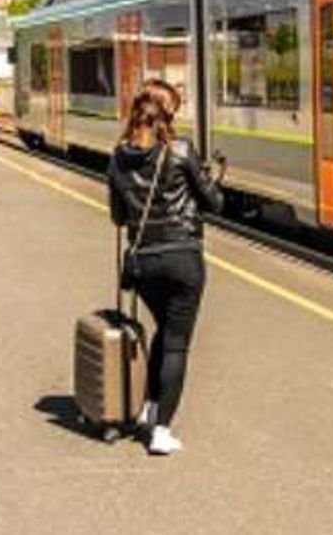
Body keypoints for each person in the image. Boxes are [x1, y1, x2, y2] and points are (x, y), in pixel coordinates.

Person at [107, 87, 224, 456]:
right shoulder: (181, 150)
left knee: (164, 332)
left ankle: (148, 408)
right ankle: (160, 431)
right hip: (183, 260)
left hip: (143, 264)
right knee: (176, 344)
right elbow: (214, 203)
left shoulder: (117, 159)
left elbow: (118, 216)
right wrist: (212, 177)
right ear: (166, 118)